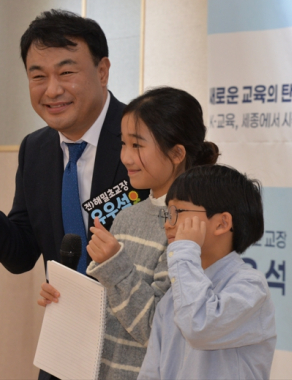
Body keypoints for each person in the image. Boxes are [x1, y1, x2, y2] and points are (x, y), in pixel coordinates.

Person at [0, 10, 146, 380]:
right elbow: (22, 254)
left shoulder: (146, 138)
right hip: (64, 350)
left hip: (137, 353)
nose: (51, 90)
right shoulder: (35, 149)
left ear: (102, 71)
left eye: (66, 72)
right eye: (38, 76)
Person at [38, 87, 220, 379]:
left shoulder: (193, 229)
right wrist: (70, 298)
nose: (126, 157)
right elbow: (113, 310)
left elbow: (160, 331)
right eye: (123, 144)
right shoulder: (126, 216)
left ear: (177, 153)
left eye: (137, 145)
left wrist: (115, 265)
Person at [138, 165, 277, 380]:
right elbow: (150, 374)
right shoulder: (172, 298)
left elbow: (198, 326)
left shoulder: (250, 286)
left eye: (177, 213)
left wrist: (184, 251)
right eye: (167, 213)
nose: (167, 224)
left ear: (222, 223)